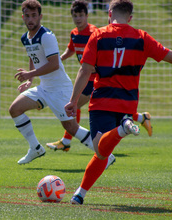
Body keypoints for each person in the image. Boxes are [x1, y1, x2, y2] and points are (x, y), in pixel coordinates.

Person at [64, 0, 172, 205]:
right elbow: (169, 56)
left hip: (103, 101)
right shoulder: (142, 37)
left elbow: (85, 70)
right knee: (103, 153)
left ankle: (123, 129)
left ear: (109, 13)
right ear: (130, 17)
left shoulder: (98, 35)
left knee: (100, 150)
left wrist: (73, 100)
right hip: (128, 105)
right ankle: (80, 194)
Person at [9, 0, 114, 167]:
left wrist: (30, 74)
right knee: (15, 109)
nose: (30, 19)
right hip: (44, 88)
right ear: (23, 17)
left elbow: (54, 64)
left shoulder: (46, 36)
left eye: (34, 16)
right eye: (27, 16)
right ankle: (35, 148)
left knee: (71, 127)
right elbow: (32, 56)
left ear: (40, 16)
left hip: (59, 89)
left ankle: (105, 155)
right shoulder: (26, 38)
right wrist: (30, 80)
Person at [46, 0, 152, 156]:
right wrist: (59, 59)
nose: (78, 19)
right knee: (92, 107)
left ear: (87, 15)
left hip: (96, 80)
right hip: (88, 79)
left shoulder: (95, 33)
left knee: (74, 106)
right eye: (75, 16)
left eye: (81, 15)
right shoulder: (74, 33)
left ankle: (67, 141)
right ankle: (141, 117)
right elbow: (71, 49)